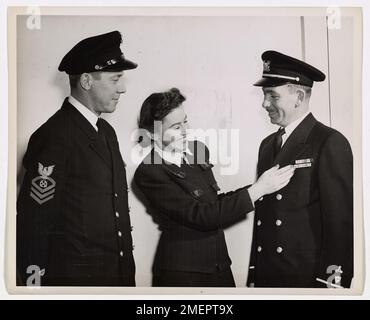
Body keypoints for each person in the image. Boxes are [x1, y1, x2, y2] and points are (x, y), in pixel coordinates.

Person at [133, 88, 295, 287]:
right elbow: (201, 216)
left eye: (185, 121)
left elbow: (213, 202)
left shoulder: (197, 150)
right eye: (176, 127)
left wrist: (260, 186)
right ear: (154, 135)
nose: (186, 131)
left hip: (219, 265)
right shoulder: (149, 172)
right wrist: (257, 191)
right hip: (184, 272)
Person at [17, 31, 138, 286]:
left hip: (116, 278)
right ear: (86, 81)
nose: (123, 88)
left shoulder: (106, 131)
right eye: (116, 79)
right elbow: (34, 225)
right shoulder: (55, 135)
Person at [247, 50, 353, 288]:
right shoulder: (267, 146)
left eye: (272, 96)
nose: (265, 104)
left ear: (298, 96)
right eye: (265, 95)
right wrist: (255, 272)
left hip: (305, 280)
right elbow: (264, 216)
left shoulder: (329, 142)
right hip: (269, 276)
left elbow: (340, 224)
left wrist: (332, 284)